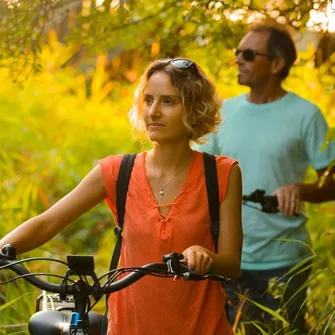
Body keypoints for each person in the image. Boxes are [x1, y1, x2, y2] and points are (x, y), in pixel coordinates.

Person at [0, 58, 243, 335]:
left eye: (168, 102)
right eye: (148, 100)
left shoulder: (222, 173)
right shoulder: (118, 171)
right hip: (130, 328)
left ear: (194, 109)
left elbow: (232, 264)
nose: (153, 111)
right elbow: (47, 223)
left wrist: (205, 256)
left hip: (202, 328)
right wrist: (2, 248)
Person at [198, 21, 335, 334]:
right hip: (229, 257)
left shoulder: (307, 115)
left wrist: (301, 189)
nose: (239, 61)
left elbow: (332, 184)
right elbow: (200, 175)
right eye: (237, 53)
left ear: (276, 64)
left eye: (248, 54)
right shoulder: (224, 113)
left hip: (286, 260)